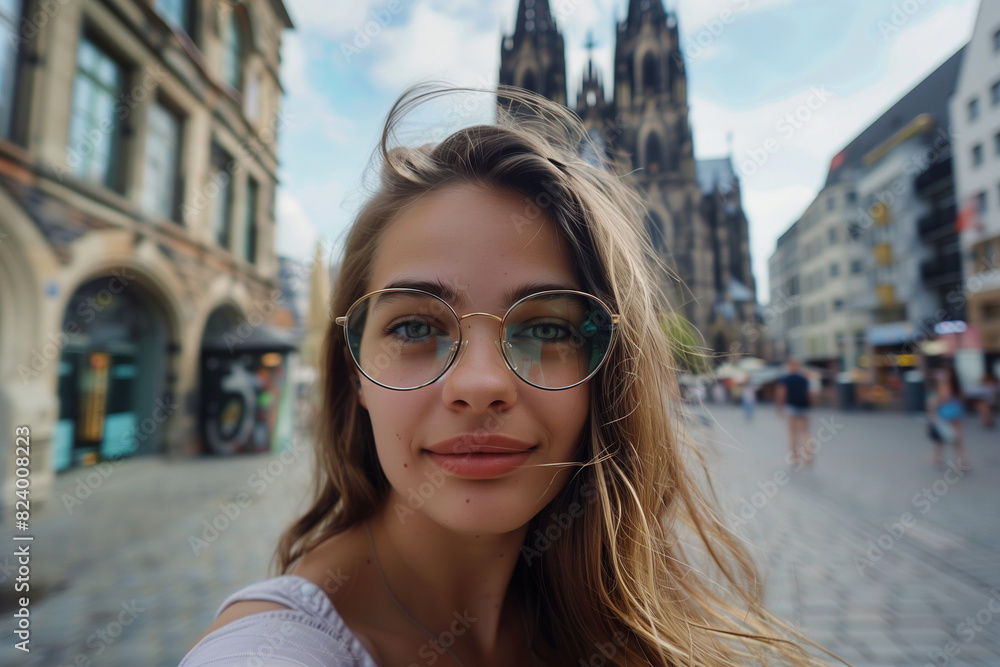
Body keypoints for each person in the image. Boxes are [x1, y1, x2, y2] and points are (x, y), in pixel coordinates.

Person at [180, 85, 828, 667]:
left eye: (547, 328)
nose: (483, 382)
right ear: (354, 371)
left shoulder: (619, 623)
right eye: (413, 327)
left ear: (610, 375)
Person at [926, 366, 972, 471]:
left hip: (945, 414)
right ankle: (959, 461)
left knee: (948, 437)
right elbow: (961, 397)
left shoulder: (944, 384)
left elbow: (943, 397)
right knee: (953, 438)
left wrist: (933, 405)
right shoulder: (956, 385)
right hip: (956, 413)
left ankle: (961, 462)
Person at [775, 359, 814, 467]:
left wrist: (779, 407)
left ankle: (794, 458)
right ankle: (809, 456)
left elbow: (781, 394)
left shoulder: (785, 379)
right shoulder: (804, 378)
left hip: (791, 408)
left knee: (793, 434)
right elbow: (809, 393)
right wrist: (810, 405)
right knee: (805, 433)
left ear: (789, 366)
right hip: (804, 408)